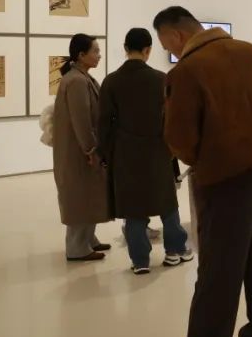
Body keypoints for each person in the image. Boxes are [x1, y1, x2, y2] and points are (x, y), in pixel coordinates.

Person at [152, 7, 252, 337]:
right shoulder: (251, 52)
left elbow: (180, 138)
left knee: (219, 272)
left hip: (227, 180)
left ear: (176, 35)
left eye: (166, 44)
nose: (170, 52)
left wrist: (204, 159)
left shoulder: (187, 71)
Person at [98, 28, 191, 275]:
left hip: (125, 154)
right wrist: (174, 148)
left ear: (125, 48)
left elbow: (104, 123)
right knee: (167, 203)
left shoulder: (111, 81)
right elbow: (173, 118)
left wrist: (105, 154)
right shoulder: (161, 79)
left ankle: (140, 260)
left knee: (133, 207)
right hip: (158, 150)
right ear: (148, 50)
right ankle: (175, 251)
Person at [52, 33, 111, 262]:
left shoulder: (81, 77)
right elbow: (81, 120)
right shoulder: (76, 81)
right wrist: (91, 149)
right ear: (81, 55)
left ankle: (88, 239)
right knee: (80, 196)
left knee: (89, 194)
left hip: (81, 151)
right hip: (79, 153)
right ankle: (77, 247)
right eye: (95, 51)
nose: (99, 55)